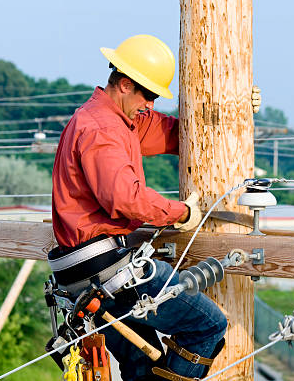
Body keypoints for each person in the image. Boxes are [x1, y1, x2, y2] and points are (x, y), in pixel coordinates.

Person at [50, 34, 260, 381]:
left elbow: (190, 135)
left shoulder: (119, 121)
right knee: (208, 326)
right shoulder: (103, 129)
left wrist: (239, 109)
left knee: (140, 367)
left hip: (87, 276)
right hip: (107, 271)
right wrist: (181, 213)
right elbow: (126, 199)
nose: (150, 104)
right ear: (124, 84)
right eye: (147, 94)